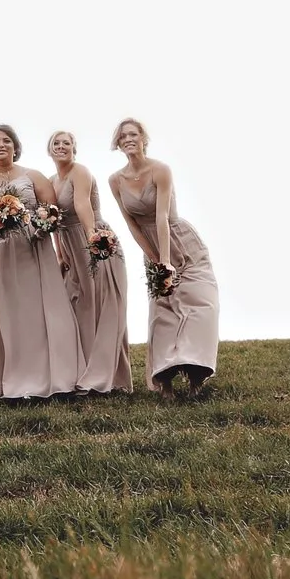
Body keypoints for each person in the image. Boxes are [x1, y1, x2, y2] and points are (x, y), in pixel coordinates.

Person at [0, 123, 84, 399]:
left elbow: (51, 211)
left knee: (34, 311)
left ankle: (49, 376)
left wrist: (37, 227)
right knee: (4, 313)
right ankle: (11, 377)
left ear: (15, 147)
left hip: (30, 249)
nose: (1, 145)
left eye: (7, 141)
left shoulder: (33, 176)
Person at [109, 117, 218, 395]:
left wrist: (167, 260)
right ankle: (165, 378)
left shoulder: (160, 170)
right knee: (163, 311)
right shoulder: (115, 180)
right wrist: (154, 259)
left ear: (143, 138)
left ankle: (196, 374)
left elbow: (161, 217)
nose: (129, 139)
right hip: (152, 248)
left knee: (198, 305)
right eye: (123, 136)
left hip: (180, 241)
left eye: (133, 134)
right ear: (118, 143)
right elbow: (131, 224)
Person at [47, 129, 131, 395]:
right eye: (56, 143)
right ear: (50, 149)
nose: (61, 146)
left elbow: (82, 205)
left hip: (93, 238)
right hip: (70, 245)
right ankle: (80, 370)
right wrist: (61, 254)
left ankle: (104, 377)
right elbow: (56, 221)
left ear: (74, 148)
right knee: (78, 305)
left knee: (101, 305)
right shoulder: (52, 180)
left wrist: (93, 239)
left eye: (67, 143)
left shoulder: (79, 172)